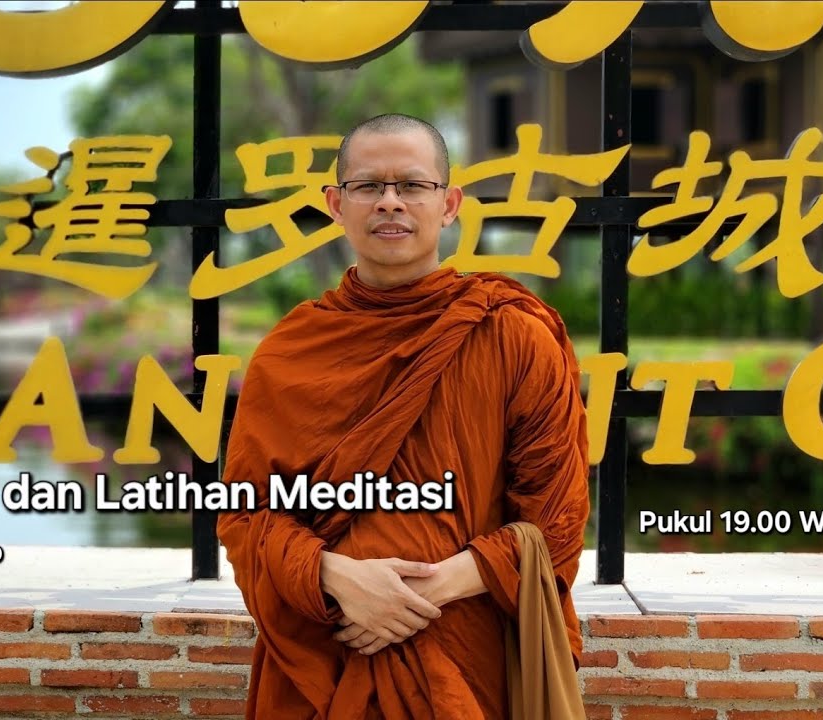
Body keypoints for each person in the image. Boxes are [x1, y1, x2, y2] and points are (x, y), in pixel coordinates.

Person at [216, 113, 592, 719]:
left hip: (466, 655)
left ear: (449, 204)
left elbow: (556, 522)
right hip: (328, 654)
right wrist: (336, 577)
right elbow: (244, 516)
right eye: (368, 186)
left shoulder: (513, 336)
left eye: (412, 185)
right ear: (336, 205)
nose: (389, 202)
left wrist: (420, 592)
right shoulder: (289, 352)